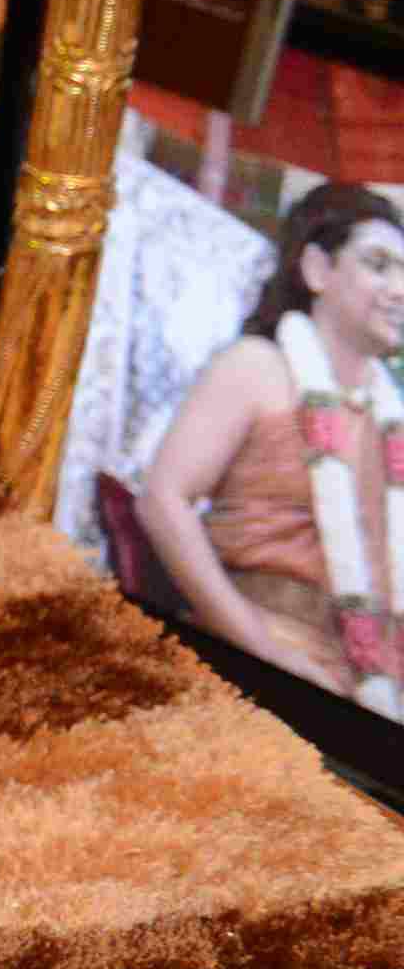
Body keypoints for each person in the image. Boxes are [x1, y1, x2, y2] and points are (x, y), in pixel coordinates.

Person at [131, 181, 404, 707]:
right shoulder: (257, 368)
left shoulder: (393, 417)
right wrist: (263, 650)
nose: (400, 290)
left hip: (370, 689)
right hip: (251, 664)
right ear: (317, 270)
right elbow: (163, 501)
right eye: (378, 265)